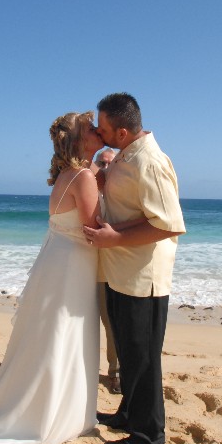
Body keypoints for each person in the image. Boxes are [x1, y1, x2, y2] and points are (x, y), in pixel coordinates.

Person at [0, 111, 104, 444]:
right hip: (72, 265)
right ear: (81, 139)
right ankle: (50, 413)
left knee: (52, 333)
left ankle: (48, 404)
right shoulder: (82, 177)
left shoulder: (73, 174)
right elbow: (95, 230)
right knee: (62, 333)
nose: (97, 130)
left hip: (60, 260)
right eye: (90, 127)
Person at [83, 92, 185, 444]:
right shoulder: (127, 155)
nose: (99, 132)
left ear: (122, 132)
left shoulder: (149, 162)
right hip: (121, 271)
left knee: (143, 359)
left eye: (103, 128)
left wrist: (115, 238)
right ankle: (128, 414)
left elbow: (169, 224)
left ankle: (149, 437)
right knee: (128, 352)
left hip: (144, 277)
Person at [92, 148, 120, 395]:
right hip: (83, 264)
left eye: (110, 164)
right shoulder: (87, 190)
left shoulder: (120, 195)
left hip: (108, 268)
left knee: (110, 322)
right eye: (101, 163)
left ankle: (115, 373)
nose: (105, 168)